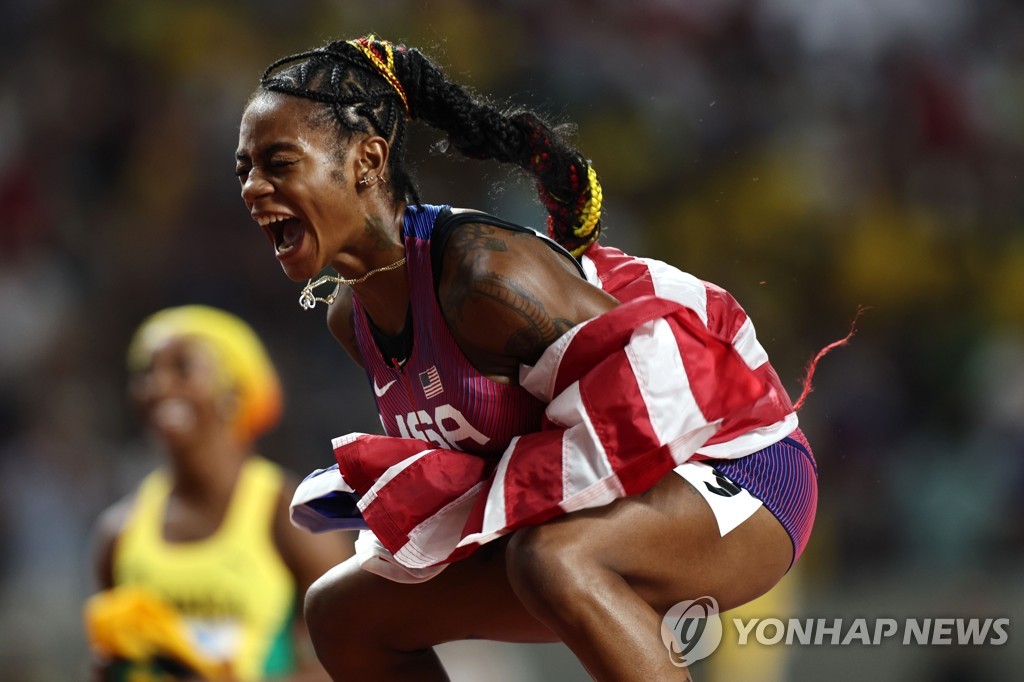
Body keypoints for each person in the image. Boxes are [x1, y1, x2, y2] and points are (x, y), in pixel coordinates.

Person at [235, 35, 819, 681]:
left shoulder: (485, 277)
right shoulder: (354, 317)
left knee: (553, 558)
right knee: (344, 612)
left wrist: (513, 508)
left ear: (367, 160)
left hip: (739, 470)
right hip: (585, 513)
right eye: (244, 170)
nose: (254, 187)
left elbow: (669, 393)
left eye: (278, 163)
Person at [88, 305, 353, 681]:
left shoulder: (290, 515)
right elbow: (104, 664)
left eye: (182, 368)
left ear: (234, 390)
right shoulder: (119, 532)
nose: (157, 386)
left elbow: (347, 664)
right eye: (145, 373)